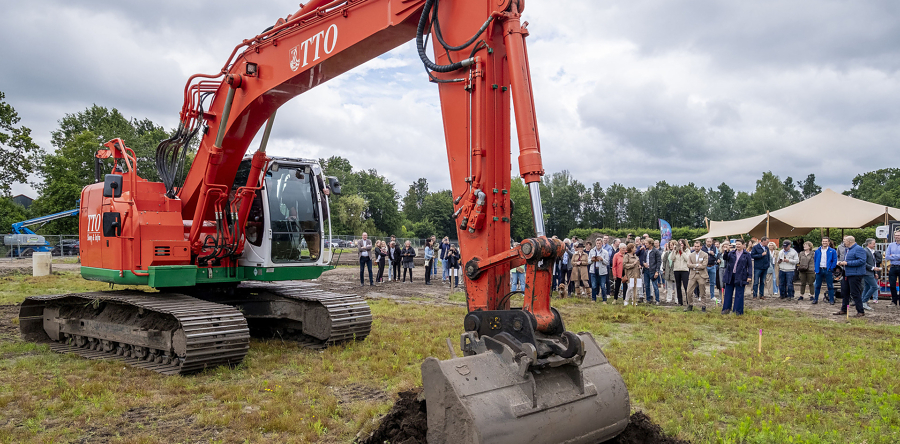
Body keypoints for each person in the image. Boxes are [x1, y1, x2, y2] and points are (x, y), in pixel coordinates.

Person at [835, 236, 866, 317]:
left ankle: (860, 311)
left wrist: (847, 263)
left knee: (855, 293)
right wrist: (841, 263)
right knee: (845, 292)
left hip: (855, 274)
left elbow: (862, 261)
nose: (843, 242)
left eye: (844, 241)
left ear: (849, 241)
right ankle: (844, 309)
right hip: (846, 273)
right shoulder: (847, 249)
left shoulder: (859, 249)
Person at [721, 239, 752, 315]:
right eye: (737, 244)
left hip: (741, 276)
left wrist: (749, 276)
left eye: (739, 244)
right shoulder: (731, 253)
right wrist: (726, 251)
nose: (737, 246)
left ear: (743, 245)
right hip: (730, 275)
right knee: (728, 293)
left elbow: (750, 266)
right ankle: (726, 309)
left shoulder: (747, 254)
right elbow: (725, 258)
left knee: (739, 294)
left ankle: (737, 311)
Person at [685, 240, 709, 312]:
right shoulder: (691, 255)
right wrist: (697, 265)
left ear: (701, 247)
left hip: (701, 275)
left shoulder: (705, 255)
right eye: (695, 246)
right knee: (688, 291)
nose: (696, 248)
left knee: (702, 292)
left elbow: (704, 266)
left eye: (698, 246)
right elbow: (688, 265)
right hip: (693, 275)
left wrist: (693, 266)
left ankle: (703, 306)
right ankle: (690, 305)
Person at [813, 237, 837, 305]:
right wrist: (816, 268)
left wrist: (831, 268)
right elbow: (815, 260)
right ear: (821, 242)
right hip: (819, 269)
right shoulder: (817, 251)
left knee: (830, 286)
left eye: (826, 241)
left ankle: (831, 299)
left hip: (828, 270)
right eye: (823, 241)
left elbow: (834, 260)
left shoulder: (832, 251)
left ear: (828, 242)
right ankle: (816, 299)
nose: (824, 242)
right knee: (817, 285)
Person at [860, 238, 882, 310]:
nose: (874, 245)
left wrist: (875, 272)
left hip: (870, 272)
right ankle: (864, 301)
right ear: (869, 244)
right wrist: (873, 268)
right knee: (874, 287)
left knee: (867, 287)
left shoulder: (871, 251)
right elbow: (864, 263)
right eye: (873, 244)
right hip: (867, 273)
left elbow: (873, 262)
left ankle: (862, 302)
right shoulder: (865, 251)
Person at [885, 231, 900, 307]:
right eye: (896, 235)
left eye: (899, 235)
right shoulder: (891, 245)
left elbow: (890, 256)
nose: (897, 236)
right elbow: (887, 256)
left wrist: (893, 255)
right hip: (893, 267)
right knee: (892, 285)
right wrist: (898, 257)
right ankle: (894, 301)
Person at [672, 240, 689, 305]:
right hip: (676, 270)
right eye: (679, 244)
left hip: (684, 270)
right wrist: (673, 251)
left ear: (684, 244)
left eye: (681, 244)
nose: (680, 245)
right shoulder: (676, 251)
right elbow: (672, 258)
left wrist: (682, 252)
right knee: (678, 286)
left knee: (686, 286)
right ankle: (680, 302)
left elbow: (687, 259)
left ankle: (688, 301)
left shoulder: (687, 251)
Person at [645, 239, 661, 304]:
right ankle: (648, 299)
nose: (645, 244)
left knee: (655, 286)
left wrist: (657, 271)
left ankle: (657, 300)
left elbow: (658, 262)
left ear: (650, 244)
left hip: (653, 270)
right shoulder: (645, 251)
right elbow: (643, 259)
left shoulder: (656, 251)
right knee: (647, 286)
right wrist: (643, 263)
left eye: (646, 243)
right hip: (646, 270)